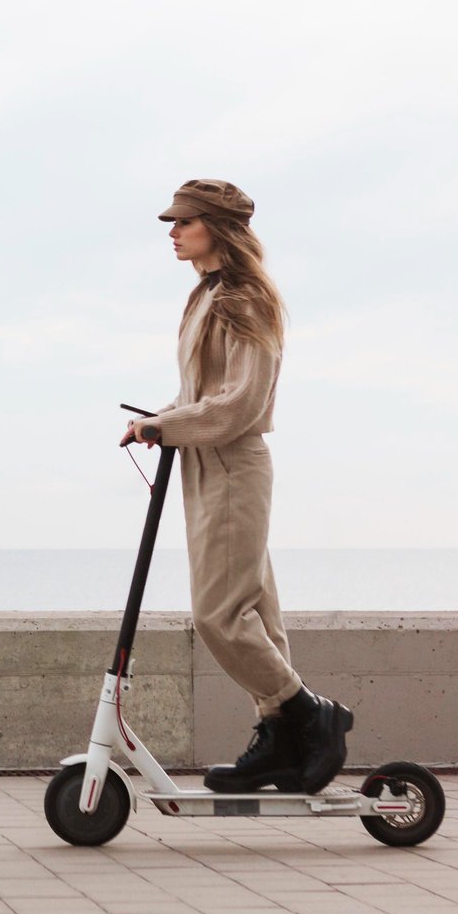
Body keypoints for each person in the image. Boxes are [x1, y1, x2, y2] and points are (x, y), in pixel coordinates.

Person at [117, 179, 353, 795]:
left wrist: (165, 425)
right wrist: (159, 420)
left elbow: (241, 404)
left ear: (215, 228)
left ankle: (309, 715)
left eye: (183, 222)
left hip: (231, 463)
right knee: (256, 612)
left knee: (219, 615)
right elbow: (203, 398)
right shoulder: (204, 296)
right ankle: (279, 738)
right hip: (206, 462)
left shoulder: (244, 300)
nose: (172, 232)